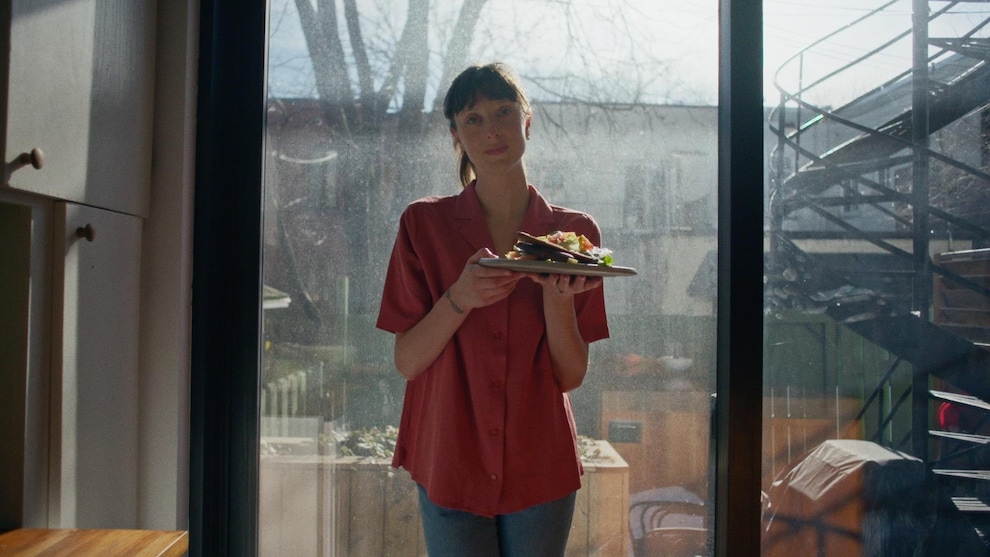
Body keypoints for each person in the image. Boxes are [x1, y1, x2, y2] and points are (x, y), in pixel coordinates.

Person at [376, 62, 610, 556]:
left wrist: (556, 299)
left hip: (539, 459)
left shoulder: (574, 234)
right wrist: (460, 297)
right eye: (473, 119)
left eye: (504, 112)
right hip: (449, 455)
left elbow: (570, 375)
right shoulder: (423, 224)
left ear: (528, 121)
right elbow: (408, 361)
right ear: (456, 136)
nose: (493, 129)